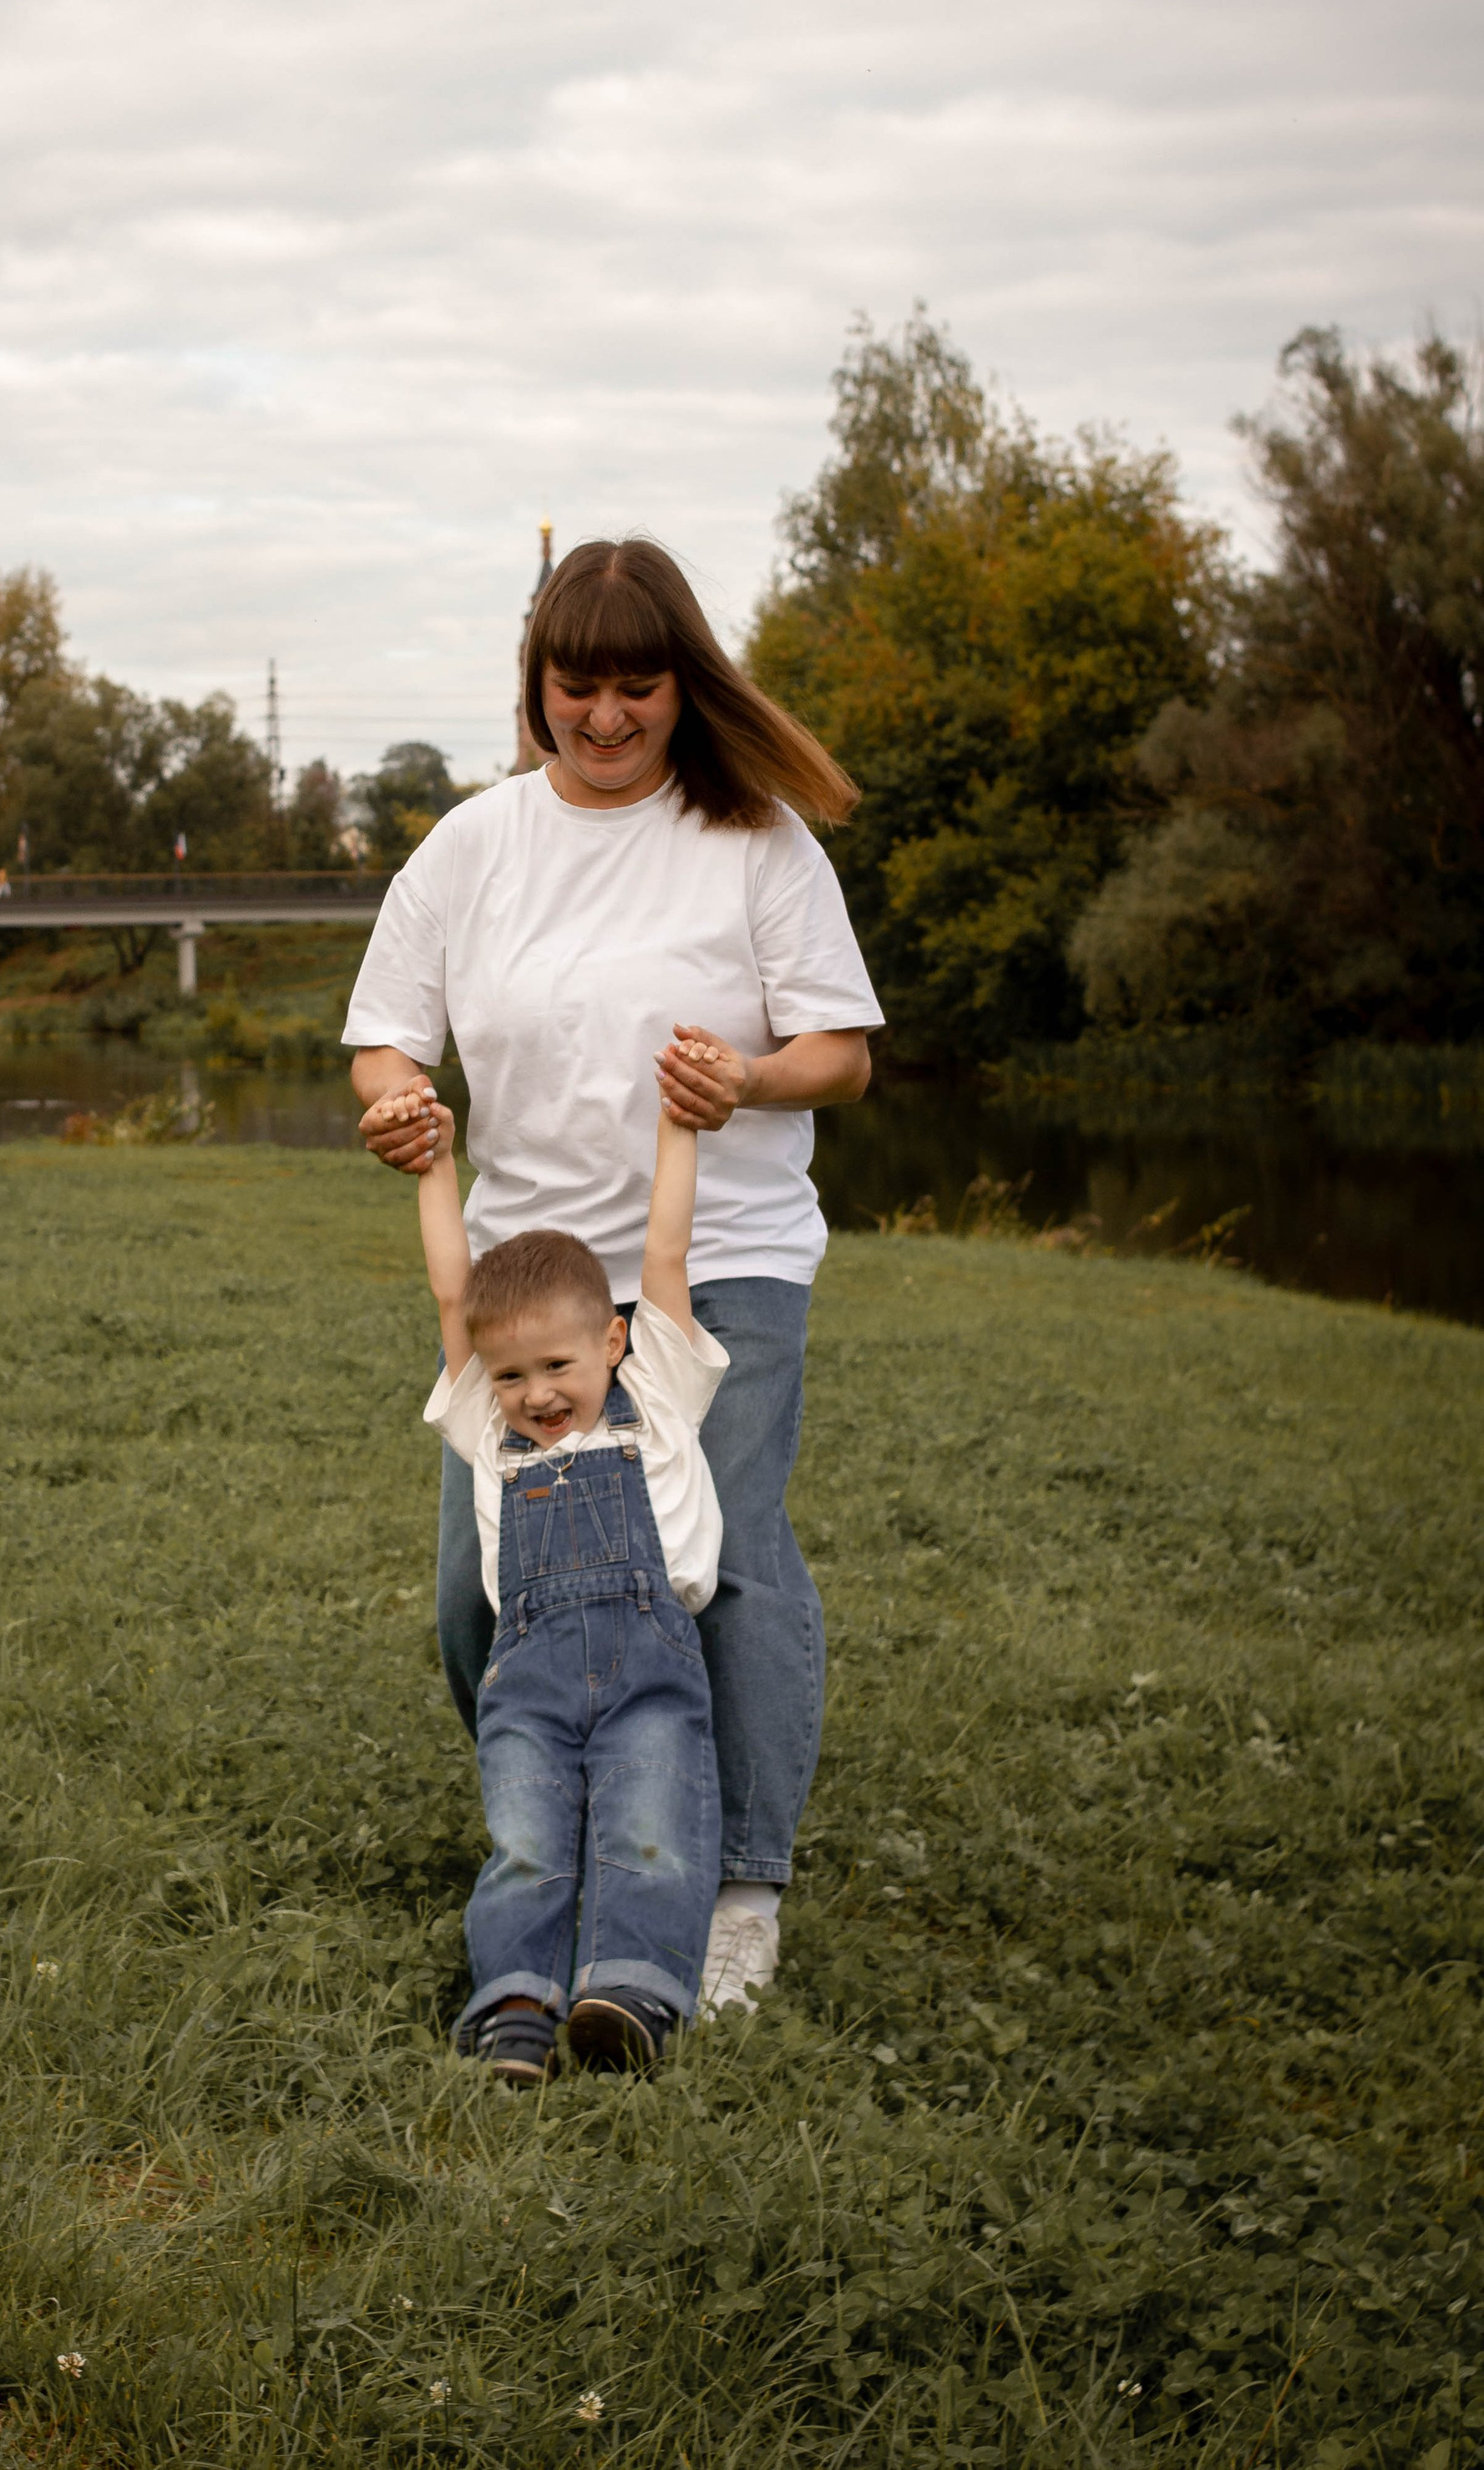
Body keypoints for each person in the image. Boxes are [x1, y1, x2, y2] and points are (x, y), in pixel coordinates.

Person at [343, 536, 881, 2011]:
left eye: (634, 688)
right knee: (480, 1588)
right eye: (574, 688)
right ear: (537, 688)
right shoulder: (472, 847)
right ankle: (580, 1817)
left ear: (680, 686)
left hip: (726, 1263)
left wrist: (751, 1081)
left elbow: (841, 1054)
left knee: (729, 1565)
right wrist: (399, 1102)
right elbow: (385, 1032)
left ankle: (736, 1891)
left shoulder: (758, 839)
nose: (602, 718)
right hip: (536, 1289)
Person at [405, 1066, 729, 2085]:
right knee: (527, 1839)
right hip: (530, 1685)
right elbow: (452, 1290)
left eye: (557, 1367)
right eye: (509, 1375)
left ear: (614, 1342)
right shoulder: (484, 1431)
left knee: (649, 1825)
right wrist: (432, 1164)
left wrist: (679, 1129)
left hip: (649, 1675)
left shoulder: (659, 1395)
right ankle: (512, 2010)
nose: (535, 1394)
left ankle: (627, 1997)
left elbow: (663, 1250)